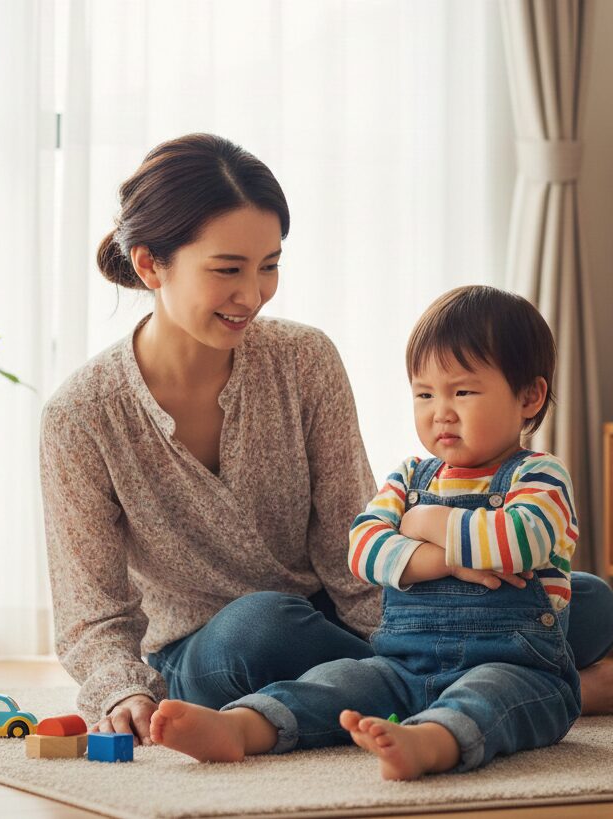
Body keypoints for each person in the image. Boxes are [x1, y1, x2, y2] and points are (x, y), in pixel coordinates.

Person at [39, 134, 613, 749]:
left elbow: (350, 546)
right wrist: (122, 691)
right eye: (228, 269)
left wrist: (434, 615)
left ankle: (451, 681)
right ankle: (539, 685)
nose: (252, 295)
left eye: (269, 265)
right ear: (150, 264)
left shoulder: (304, 358)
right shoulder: (80, 416)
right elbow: (91, 613)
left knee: (588, 601)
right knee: (262, 625)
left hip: (340, 621)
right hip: (216, 648)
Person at [149, 286, 584, 779]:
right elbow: (363, 549)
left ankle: (431, 741)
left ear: (530, 396)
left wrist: (424, 524)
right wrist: (447, 559)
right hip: (401, 665)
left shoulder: (539, 475)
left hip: (516, 664)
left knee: (490, 697)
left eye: (462, 391)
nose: (440, 411)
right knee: (334, 682)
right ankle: (243, 727)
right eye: (424, 394)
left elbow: (519, 542)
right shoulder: (411, 476)